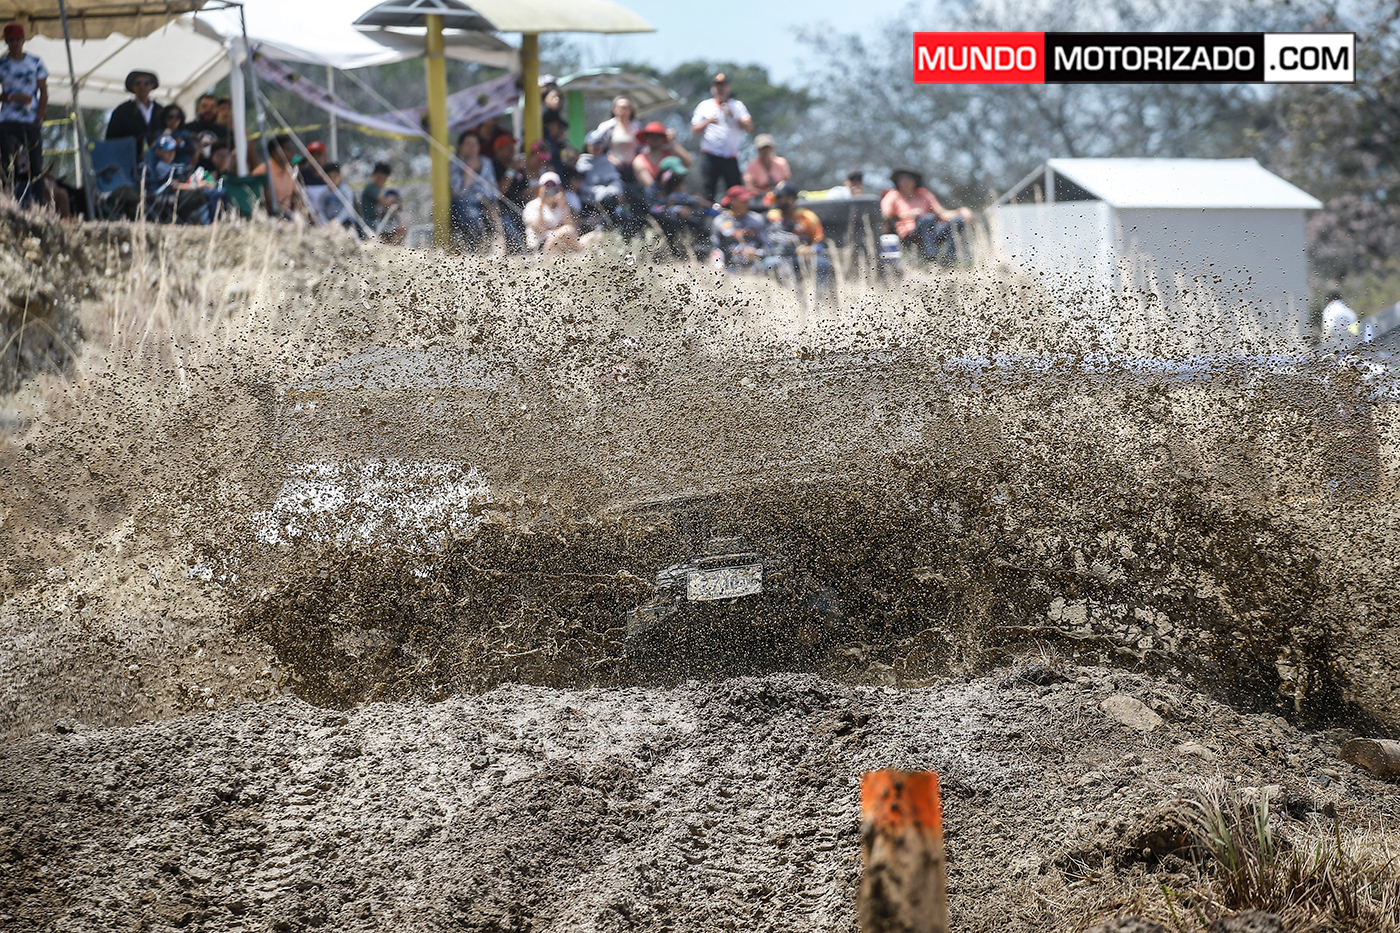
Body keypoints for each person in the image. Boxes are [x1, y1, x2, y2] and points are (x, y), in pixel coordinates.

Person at [881, 168, 973, 264]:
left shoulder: (924, 194)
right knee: (928, 218)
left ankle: (949, 259)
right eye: (902, 179)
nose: (905, 182)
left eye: (908, 179)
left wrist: (961, 211)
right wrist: (907, 215)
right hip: (909, 234)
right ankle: (931, 256)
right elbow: (883, 216)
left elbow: (942, 214)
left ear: (915, 181)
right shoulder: (893, 195)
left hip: (930, 232)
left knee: (957, 221)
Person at [0, 24, 47, 205]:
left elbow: (44, 91)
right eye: (11, 40)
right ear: (6, 41)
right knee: (8, 165)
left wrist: (39, 117)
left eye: (18, 39)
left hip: (30, 121)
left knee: (36, 165)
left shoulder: (36, 62)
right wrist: (11, 97)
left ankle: (39, 206)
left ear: (23, 40)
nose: (15, 43)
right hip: (7, 121)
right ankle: (8, 203)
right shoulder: (2, 64)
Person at [690, 73, 752, 202]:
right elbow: (694, 129)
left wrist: (734, 116)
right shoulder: (705, 106)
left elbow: (749, 127)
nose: (720, 89)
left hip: (730, 155)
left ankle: (735, 212)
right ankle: (708, 213)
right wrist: (708, 121)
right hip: (711, 154)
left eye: (723, 85)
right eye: (718, 86)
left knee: (736, 190)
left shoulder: (737, 106)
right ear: (713, 88)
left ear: (728, 87)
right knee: (708, 190)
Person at [766, 180, 833, 292]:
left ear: (791, 198)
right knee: (770, 264)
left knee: (822, 263)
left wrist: (810, 249)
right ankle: (786, 297)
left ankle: (819, 299)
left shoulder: (807, 216)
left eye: (779, 197)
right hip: (780, 258)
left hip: (803, 258)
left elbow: (820, 242)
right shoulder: (771, 216)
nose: (776, 200)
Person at [647, 156, 709, 261]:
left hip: (680, 223)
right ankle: (671, 254)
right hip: (662, 224)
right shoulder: (652, 190)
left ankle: (698, 249)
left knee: (697, 218)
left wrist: (699, 201)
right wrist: (677, 209)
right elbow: (654, 209)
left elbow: (684, 198)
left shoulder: (673, 188)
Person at [142, 134, 212, 224]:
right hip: (167, 196)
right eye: (167, 151)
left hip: (180, 194)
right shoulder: (161, 167)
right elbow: (171, 185)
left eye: (173, 150)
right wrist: (194, 186)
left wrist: (196, 180)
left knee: (206, 193)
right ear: (158, 151)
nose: (171, 153)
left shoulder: (174, 165)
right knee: (198, 194)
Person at [449, 130, 498, 250]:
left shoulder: (486, 162)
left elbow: (493, 189)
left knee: (503, 218)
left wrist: (487, 201)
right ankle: (473, 251)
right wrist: (468, 170)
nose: (472, 148)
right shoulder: (454, 163)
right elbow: (458, 192)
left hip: (486, 202)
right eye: (468, 144)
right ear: (460, 146)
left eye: (475, 144)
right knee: (474, 219)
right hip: (464, 203)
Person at [711, 184, 767, 272]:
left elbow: (767, 246)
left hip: (756, 265)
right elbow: (715, 247)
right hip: (730, 266)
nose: (746, 203)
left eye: (747, 200)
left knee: (774, 262)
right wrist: (719, 264)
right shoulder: (720, 221)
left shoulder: (756, 219)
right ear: (732, 201)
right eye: (742, 201)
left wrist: (756, 252)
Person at [106, 70, 163, 156]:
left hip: (157, 158)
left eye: (146, 83)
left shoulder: (161, 110)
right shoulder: (121, 111)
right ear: (132, 87)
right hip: (130, 158)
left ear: (152, 85)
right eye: (138, 83)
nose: (142, 86)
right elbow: (111, 140)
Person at [522, 170, 581, 253]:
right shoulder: (532, 205)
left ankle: (581, 252)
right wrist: (542, 205)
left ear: (559, 188)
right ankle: (580, 252)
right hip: (540, 246)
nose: (550, 189)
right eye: (547, 186)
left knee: (593, 236)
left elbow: (573, 230)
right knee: (566, 230)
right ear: (540, 188)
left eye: (553, 185)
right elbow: (537, 229)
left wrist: (563, 207)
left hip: (560, 244)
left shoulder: (561, 205)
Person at [251, 134, 300, 216]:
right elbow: (254, 200)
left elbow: (297, 196)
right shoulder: (262, 171)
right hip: (269, 217)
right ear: (276, 151)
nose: (292, 152)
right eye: (288, 148)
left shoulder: (290, 171)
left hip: (289, 216)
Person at [633, 121, 692, 188]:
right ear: (646, 138)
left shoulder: (670, 154)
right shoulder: (639, 161)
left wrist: (672, 143)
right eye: (651, 136)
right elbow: (651, 186)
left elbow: (688, 162)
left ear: (663, 138)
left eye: (658, 136)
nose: (654, 139)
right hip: (653, 193)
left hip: (674, 191)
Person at [594, 96, 642, 178]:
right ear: (614, 109)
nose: (624, 110)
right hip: (612, 167)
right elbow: (598, 147)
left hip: (633, 168)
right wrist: (610, 158)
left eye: (627, 107)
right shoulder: (606, 127)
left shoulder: (637, 126)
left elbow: (642, 147)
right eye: (621, 107)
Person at [743, 133, 790, 197]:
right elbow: (749, 187)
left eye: (768, 148)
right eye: (763, 148)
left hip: (780, 197)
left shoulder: (781, 162)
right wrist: (764, 194)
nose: (766, 151)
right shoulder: (752, 165)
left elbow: (787, 183)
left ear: (772, 148)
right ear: (758, 150)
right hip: (760, 197)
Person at [316, 163, 357, 230]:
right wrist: (325, 222)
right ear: (324, 178)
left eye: (335, 177)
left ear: (340, 176)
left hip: (345, 222)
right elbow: (320, 210)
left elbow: (348, 208)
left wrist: (338, 220)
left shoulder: (346, 191)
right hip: (329, 222)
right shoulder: (324, 194)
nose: (332, 180)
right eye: (329, 177)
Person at [361, 160, 392, 232]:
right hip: (368, 223)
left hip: (375, 222)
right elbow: (385, 202)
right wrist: (394, 204)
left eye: (383, 179)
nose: (380, 181)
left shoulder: (378, 190)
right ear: (373, 176)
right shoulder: (370, 187)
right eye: (378, 178)